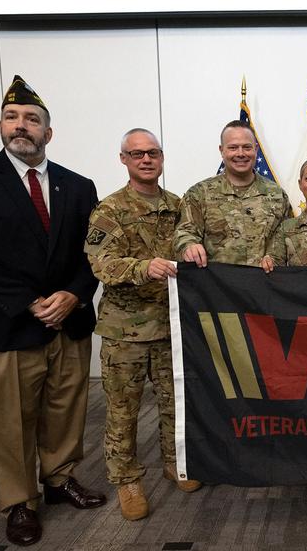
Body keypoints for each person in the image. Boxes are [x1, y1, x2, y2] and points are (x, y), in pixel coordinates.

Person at [0, 75, 105, 547]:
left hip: (68, 321)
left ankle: (59, 480)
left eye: (32, 119)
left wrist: (74, 294)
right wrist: (31, 302)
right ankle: (19, 501)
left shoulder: (78, 186)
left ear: (47, 133)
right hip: (5, 323)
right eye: (12, 118)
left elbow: (92, 251)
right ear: (0, 126)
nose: (21, 126)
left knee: (65, 409)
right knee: (11, 420)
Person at [84, 128, 202, 522]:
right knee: (123, 410)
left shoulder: (179, 205)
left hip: (171, 327)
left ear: (162, 157)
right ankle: (127, 479)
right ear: (124, 160)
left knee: (176, 403)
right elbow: (102, 264)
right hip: (125, 332)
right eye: (137, 154)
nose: (146, 159)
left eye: (152, 153)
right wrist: (142, 267)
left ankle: (175, 463)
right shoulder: (109, 209)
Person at [173, 121, 293, 267]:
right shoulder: (199, 194)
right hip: (217, 286)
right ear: (221, 150)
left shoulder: (277, 195)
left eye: (247, 147)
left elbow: (288, 238)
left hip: (264, 285)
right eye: (233, 148)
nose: (241, 153)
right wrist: (188, 246)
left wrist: (274, 257)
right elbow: (184, 234)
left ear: (255, 149)